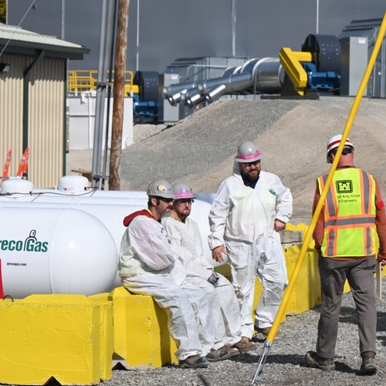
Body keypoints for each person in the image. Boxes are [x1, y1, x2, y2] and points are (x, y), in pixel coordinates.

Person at [304, 135, 386, 376]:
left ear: (332, 155)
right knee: (366, 305)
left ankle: (325, 357)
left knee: (331, 306)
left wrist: (320, 247)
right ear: (351, 153)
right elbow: (381, 218)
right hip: (364, 253)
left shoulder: (324, 182)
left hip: (334, 256)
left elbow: (318, 222)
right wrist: (384, 251)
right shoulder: (369, 180)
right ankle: (368, 356)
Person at [119, 180, 224, 368]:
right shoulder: (142, 224)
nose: (170, 204)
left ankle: (207, 347)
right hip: (140, 275)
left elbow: (168, 257)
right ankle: (188, 354)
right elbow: (160, 260)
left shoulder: (155, 222)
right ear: (154, 201)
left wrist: (173, 258)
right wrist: (173, 257)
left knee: (199, 294)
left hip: (159, 274)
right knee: (178, 297)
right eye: (167, 200)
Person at [209, 141, 293, 342]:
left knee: (278, 281)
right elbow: (217, 214)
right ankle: (243, 332)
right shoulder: (229, 186)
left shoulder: (271, 180)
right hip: (240, 244)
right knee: (243, 290)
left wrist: (282, 217)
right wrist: (216, 242)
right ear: (239, 164)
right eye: (248, 164)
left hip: (269, 239)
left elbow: (286, 197)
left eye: (256, 162)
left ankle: (264, 320)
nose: (253, 167)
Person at [162, 182, 254, 356]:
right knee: (209, 293)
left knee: (226, 288)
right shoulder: (168, 225)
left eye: (189, 201)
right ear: (173, 203)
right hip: (185, 274)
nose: (187, 205)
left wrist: (208, 271)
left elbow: (198, 254)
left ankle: (234, 337)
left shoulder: (192, 224)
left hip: (200, 271)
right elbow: (180, 257)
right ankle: (216, 343)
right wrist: (204, 274)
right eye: (182, 202)